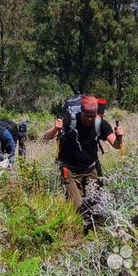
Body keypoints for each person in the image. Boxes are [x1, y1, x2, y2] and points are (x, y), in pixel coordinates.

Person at [42, 94, 124, 229]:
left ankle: (95, 233)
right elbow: (45, 137)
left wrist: (120, 136)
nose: (89, 120)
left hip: (91, 168)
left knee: (96, 202)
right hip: (69, 169)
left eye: (92, 117)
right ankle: (76, 231)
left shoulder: (100, 123)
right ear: (81, 112)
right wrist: (55, 129)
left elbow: (116, 145)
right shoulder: (69, 120)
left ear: (96, 115)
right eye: (86, 116)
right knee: (76, 204)